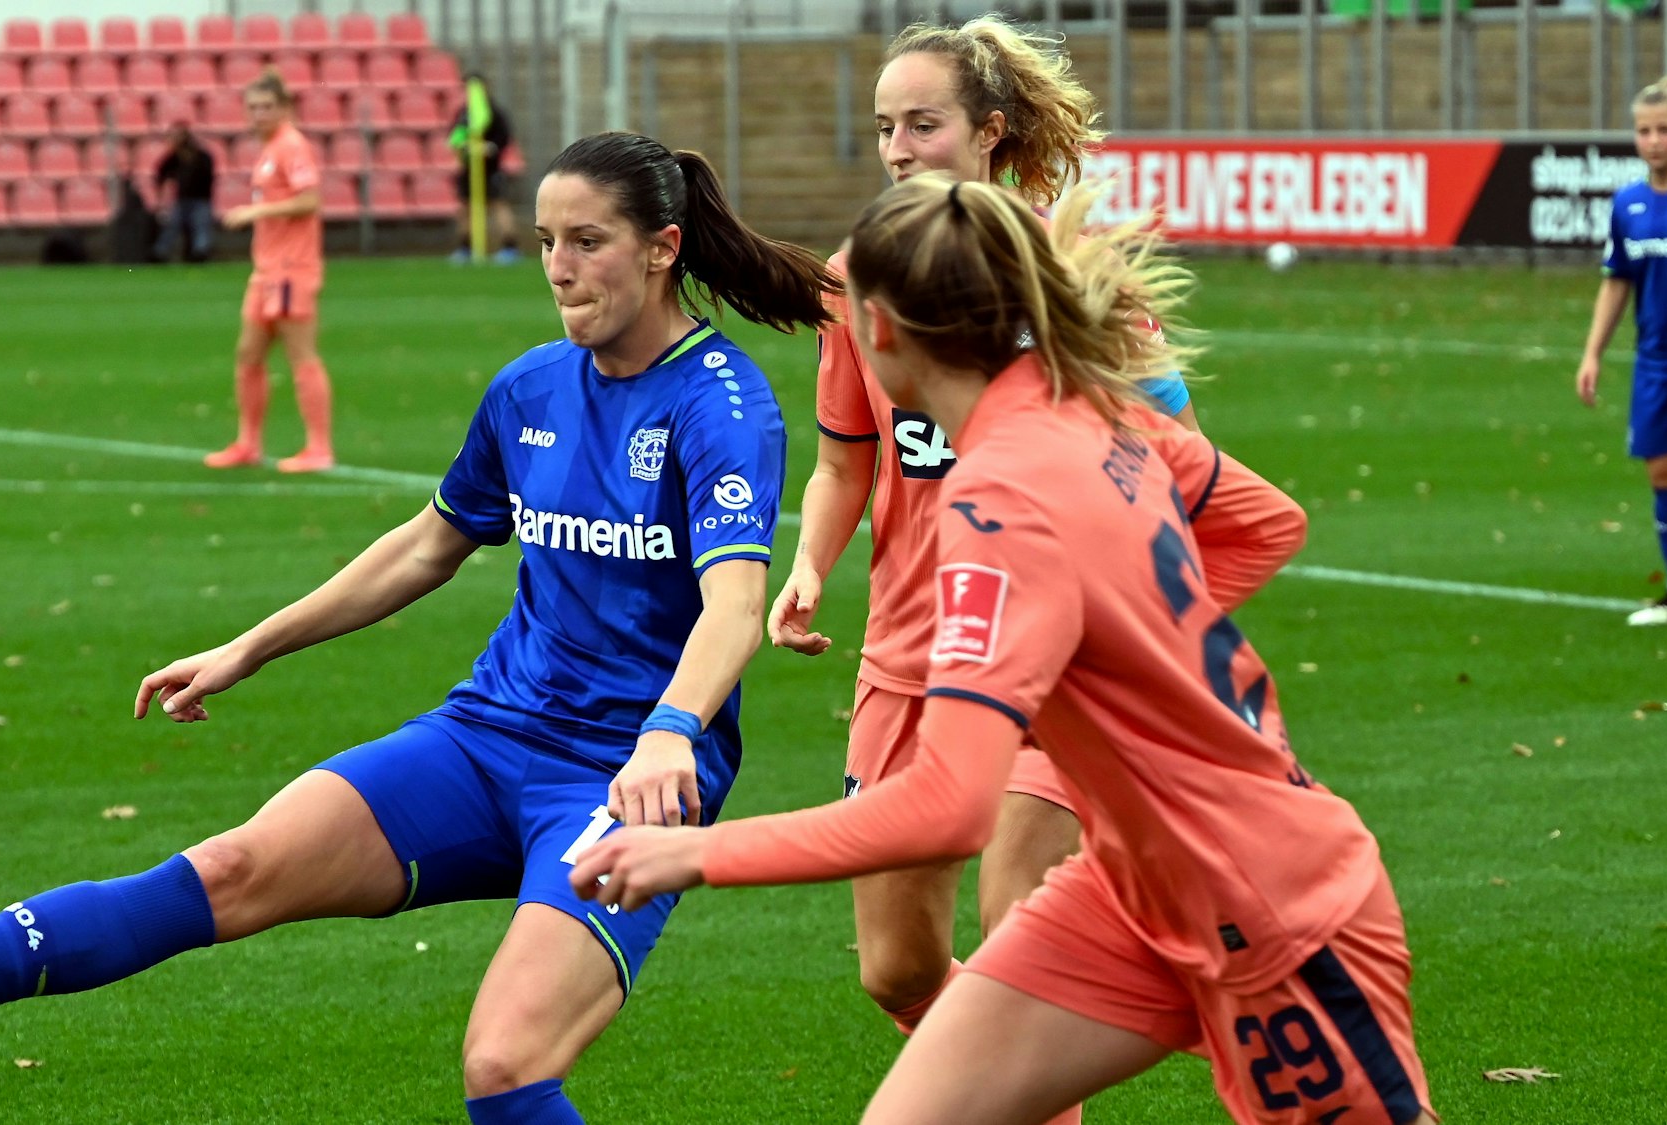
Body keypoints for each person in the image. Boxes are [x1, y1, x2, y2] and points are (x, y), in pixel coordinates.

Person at [0, 131, 840, 1125]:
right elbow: (426, 545)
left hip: (620, 777)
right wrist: (252, 643)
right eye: (546, 239)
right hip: (485, 736)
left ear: (661, 248)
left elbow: (733, 604)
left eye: (586, 242)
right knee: (228, 868)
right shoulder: (529, 389)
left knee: (505, 1068)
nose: (556, 266)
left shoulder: (721, 405)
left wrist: (667, 735)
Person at [571, 176, 1434, 1125]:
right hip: (1126, 893)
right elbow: (1265, 521)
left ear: (885, 335)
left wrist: (699, 853)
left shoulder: (997, 497)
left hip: (1272, 908)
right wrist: (1110, 650)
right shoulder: (1096, 410)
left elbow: (948, 807)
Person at [768, 15, 1196, 1069]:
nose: (900, 148)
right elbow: (842, 461)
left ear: (990, 132)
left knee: (1021, 952)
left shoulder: (1065, 270)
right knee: (897, 971)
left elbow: (1177, 458)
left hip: (1049, 661)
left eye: (923, 123)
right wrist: (810, 567)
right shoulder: (854, 278)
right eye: (884, 129)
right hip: (908, 660)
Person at [1576, 74, 1667, 625]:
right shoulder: (1627, 202)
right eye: (1644, 131)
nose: (1653, 141)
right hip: (1654, 360)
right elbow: (1617, 281)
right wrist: (1592, 353)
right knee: (1665, 475)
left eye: (1665, 130)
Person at [205, 69, 334, 474]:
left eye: (266, 107)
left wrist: (255, 211)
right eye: (253, 107)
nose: (258, 114)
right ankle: (249, 442)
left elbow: (309, 200)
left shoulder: (291, 146)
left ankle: (318, 447)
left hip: (291, 269)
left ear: (284, 108)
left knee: (301, 354)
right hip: (267, 269)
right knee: (248, 353)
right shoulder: (269, 150)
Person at [448, 74, 521, 265]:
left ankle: (509, 247)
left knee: (497, 206)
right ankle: (465, 248)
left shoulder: (494, 113)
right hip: (469, 169)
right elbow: (455, 137)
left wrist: (490, 147)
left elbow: (503, 138)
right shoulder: (464, 113)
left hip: (490, 169)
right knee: (466, 209)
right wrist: (464, 146)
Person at [152, 122, 216, 263]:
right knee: (172, 227)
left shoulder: (201, 156)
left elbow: (208, 176)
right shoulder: (175, 157)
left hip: (201, 199)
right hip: (182, 199)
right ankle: (159, 253)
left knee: (200, 227)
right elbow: (160, 173)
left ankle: (200, 253)